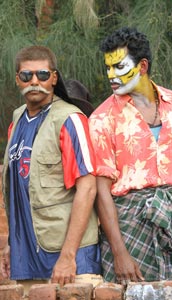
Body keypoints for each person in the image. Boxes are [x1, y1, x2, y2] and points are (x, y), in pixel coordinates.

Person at [89, 27, 172, 284]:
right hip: (129, 226)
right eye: (107, 67)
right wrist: (119, 252)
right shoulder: (102, 118)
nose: (111, 75)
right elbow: (101, 189)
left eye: (119, 66)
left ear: (142, 66)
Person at [1, 45, 101, 290]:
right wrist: (11, 245)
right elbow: (18, 189)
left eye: (42, 75)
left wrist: (68, 256)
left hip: (69, 260)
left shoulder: (70, 119)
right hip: (26, 260)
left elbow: (87, 189)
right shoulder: (16, 120)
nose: (35, 81)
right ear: (18, 80)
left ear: (54, 78)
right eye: (27, 75)